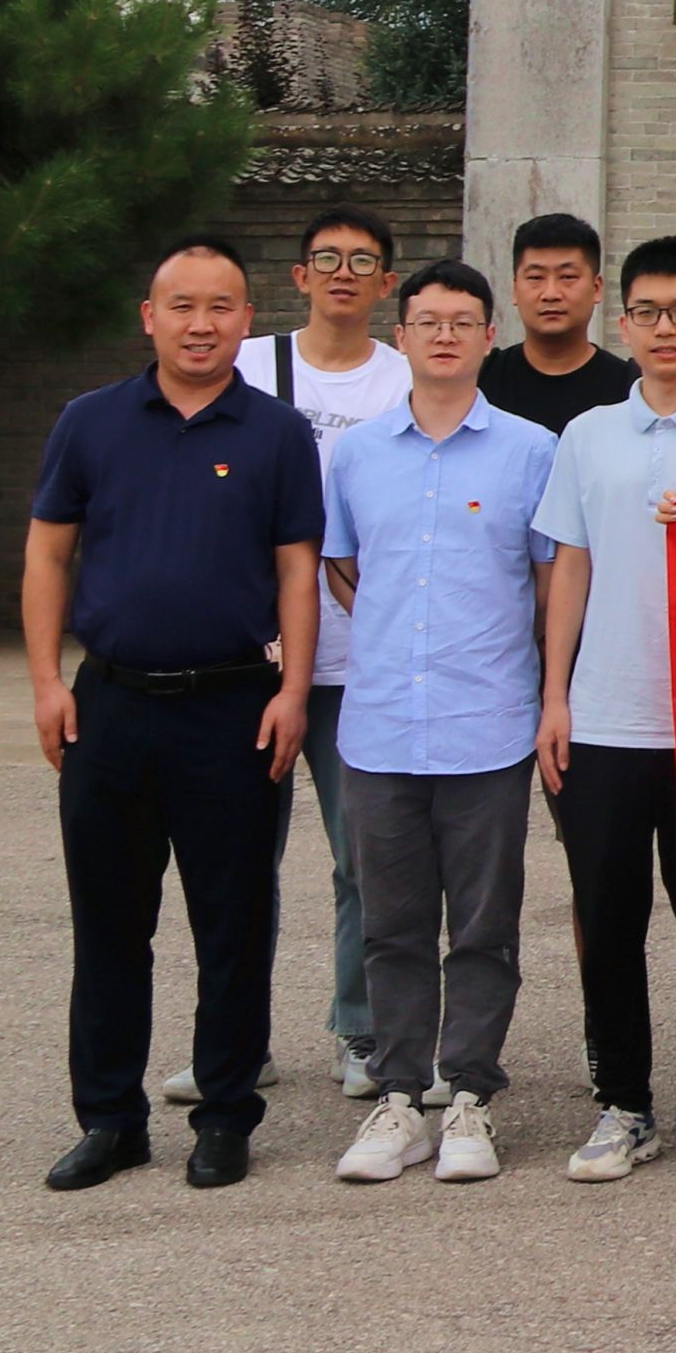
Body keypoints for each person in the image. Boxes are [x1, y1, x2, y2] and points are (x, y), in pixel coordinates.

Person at [31, 238, 326, 1193]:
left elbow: (297, 571)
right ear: (149, 317)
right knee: (110, 924)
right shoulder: (90, 422)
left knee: (231, 924)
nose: (202, 324)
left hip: (234, 708)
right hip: (110, 706)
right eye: (183, 306)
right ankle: (110, 1120)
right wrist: (46, 682)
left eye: (221, 306)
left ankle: (226, 1115)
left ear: (248, 318)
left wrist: (292, 691)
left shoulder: (278, 432)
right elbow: (47, 554)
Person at [530, 235, 676, 1185]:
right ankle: (621, 1101)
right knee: (608, 916)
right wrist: (554, 696)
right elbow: (570, 567)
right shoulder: (587, 435)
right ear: (621, 322)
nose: (664, 328)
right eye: (646, 312)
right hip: (603, 716)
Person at [323, 259, 560, 1187]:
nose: (446, 335)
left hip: (486, 725)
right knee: (391, 924)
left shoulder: (531, 451)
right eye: (428, 321)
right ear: (403, 335)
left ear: (490, 336)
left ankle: (468, 1093)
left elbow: (548, 583)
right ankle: (398, 1095)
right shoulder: (358, 455)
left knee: (484, 927)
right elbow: (345, 567)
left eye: (464, 321)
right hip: (382, 723)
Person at [235, 207, 408, 1109]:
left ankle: (360, 1028)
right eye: (327, 259)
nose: (344, 273)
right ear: (299, 275)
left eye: (363, 261)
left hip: (362, 660)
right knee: (235, 859)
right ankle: (235, 1042)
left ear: (388, 283)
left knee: (362, 860)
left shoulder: (406, 377)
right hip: (248, 658)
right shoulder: (249, 367)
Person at [479, 211, 638, 435]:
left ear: (596, 288)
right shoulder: (480, 380)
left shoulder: (630, 388)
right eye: (536, 278)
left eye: (567, 277)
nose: (551, 294)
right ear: (515, 290)